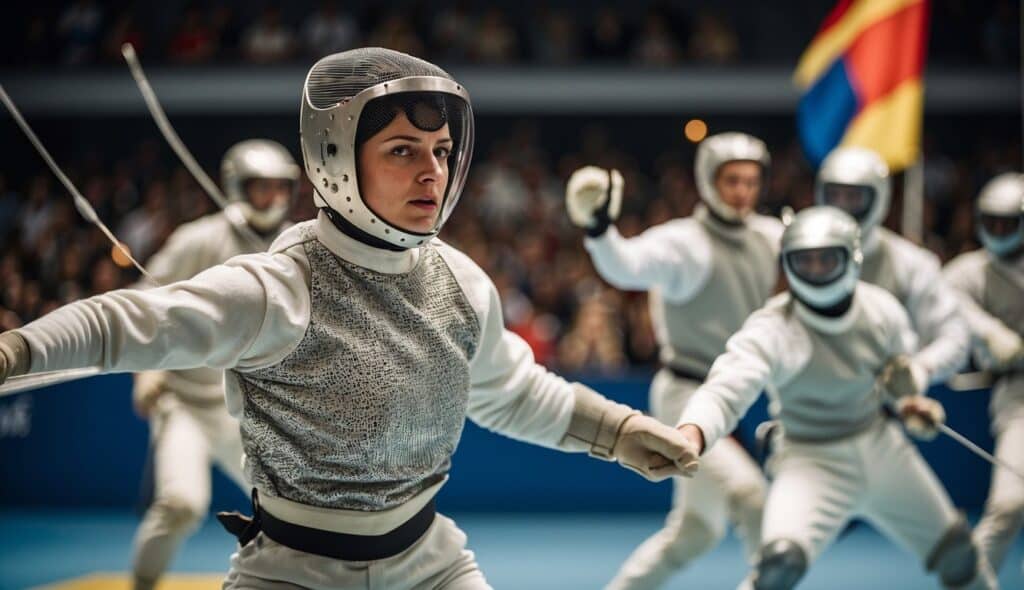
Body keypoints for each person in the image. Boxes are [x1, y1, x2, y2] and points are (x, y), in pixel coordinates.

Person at [0, 48, 699, 589]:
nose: (432, 172)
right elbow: (128, 324)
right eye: (403, 151)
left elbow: (514, 392)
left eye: (442, 152)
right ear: (334, 157)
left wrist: (620, 431)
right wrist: (16, 351)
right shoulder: (282, 286)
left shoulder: (461, 283)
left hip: (431, 562)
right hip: (290, 573)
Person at [675, 206, 998, 590]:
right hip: (808, 458)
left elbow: (896, 377)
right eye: (804, 260)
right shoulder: (775, 326)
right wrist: (692, 432)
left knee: (958, 554)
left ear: (851, 257)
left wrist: (909, 402)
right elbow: (727, 387)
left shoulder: (880, 310)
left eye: (827, 259)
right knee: (778, 566)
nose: (815, 270)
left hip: (881, 448)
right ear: (787, 264)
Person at [565, 132, 780, 589]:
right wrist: (600, 228)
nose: (742, 191)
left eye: (750, 181)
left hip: (734, 397)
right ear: (708, 181)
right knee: (750, 496)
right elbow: (625, 264)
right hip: (684, 396)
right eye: (731, 180)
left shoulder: (769, 237)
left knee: (695, 533)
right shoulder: (687, 243)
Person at [129, 139, 299, 590]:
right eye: (260, 188)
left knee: (294, 508)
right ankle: (142, 584)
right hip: (184, 402)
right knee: (182, 503)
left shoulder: (295, 245)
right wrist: (148, 372)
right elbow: (146, 300)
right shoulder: (199, 240)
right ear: (237, 187)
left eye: (279, 188)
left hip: (248, 407)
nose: (272, 198)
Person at [815, 146, 969, 387]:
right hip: (815, 394)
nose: (842, 206)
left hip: (888, 401)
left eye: (854, 197)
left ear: (879, 196)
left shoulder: (912, 263)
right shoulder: (801, 256)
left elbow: (954, 337)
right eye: (834, 195)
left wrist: (919, 369)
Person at [943, 172, 1024, 575]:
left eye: (1008, 224)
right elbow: (948, 302)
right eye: (991, 222)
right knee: (1008, 504)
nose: (998, 231)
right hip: (1018, 395)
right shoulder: (968, 272)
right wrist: (992, 333)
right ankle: (970, 584)